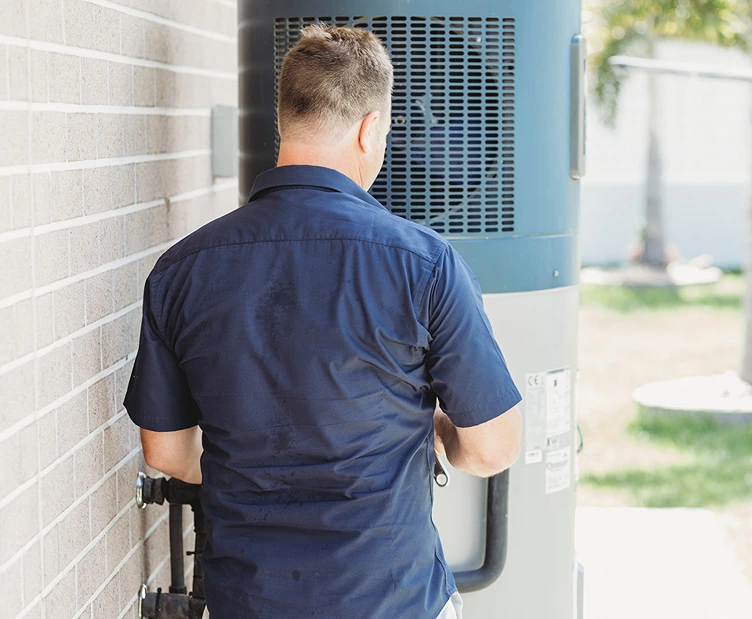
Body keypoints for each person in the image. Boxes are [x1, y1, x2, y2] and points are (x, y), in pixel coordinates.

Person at [123, 23, 523, 619]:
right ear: (369, 129)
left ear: (285, 123)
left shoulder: (183, 269)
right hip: (390, 599)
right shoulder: (424, 266)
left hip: (247, 602)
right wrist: (436, 433)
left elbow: (166, 452)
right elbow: (493, 448)